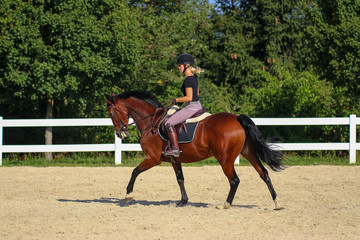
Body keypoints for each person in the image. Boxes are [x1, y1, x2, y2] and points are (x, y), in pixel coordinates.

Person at [163, 53, 204, 157]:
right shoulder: (193, 77)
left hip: (191, 107)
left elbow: (189, 98)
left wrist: (176, 99)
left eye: (180, 65)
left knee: (169, 122)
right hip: (198, 105)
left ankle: (175, 149)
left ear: (187, 65)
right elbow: (197, 94)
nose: (178, 67)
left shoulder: (188, 79)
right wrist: (182, 101)